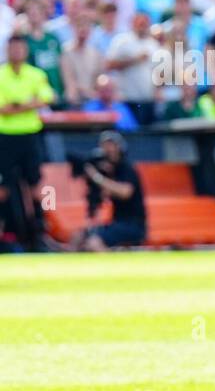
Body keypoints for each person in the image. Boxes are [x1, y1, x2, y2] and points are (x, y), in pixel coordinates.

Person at [0, 36, 55, 250]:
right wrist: (27, 105)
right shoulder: (1, 74)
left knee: (37, 186)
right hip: (4, 136)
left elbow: (46, 98)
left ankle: (41, 232)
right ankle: (6, 233)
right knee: (3, 188)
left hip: (30, 135)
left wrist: (15, 107)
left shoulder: (36, 74)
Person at [68, 130, 146, 250]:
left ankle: (112, 268)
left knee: (94, 243)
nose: (109, 149)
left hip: (132, 225)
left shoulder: (127, 169)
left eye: (111, 145)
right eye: (105, 145)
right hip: (117, 223)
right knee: (78, 236)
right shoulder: (108, 170)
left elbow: (125, 192)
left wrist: (96, 177)